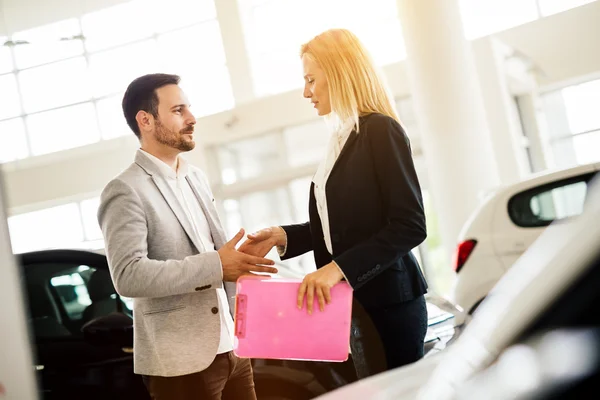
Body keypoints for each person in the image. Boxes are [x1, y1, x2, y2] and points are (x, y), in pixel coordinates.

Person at [240, 29, 429, 379]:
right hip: (356, 306)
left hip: (390, 306)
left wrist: (336, 269)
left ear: (340, 72)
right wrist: (284, 236)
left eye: (311, 79)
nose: (306, 92)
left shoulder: (380, 130)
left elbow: (410, 225)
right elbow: (342, 227)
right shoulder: (341, 137)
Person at [97, 73, 277, 400]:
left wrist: (237, 259)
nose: (192, 118)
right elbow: (128, 276)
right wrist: (216, 265)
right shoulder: (124, 191)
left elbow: (215, 256)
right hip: (180, 363)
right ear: (146, 120)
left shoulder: (196, 177)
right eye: (179, 110)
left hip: (233, 349)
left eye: (189, 108)